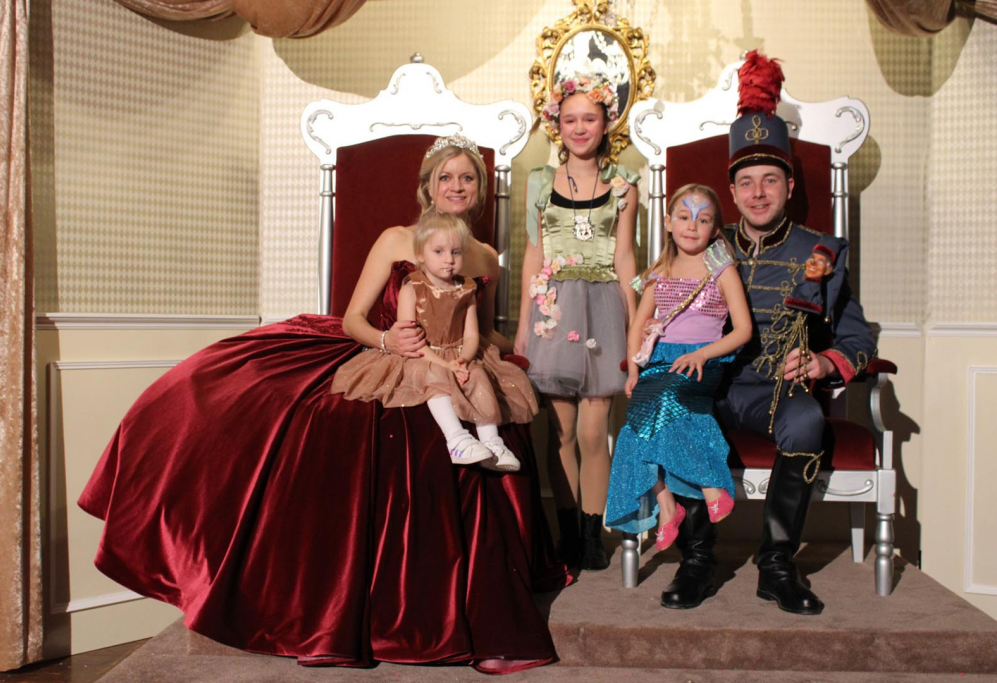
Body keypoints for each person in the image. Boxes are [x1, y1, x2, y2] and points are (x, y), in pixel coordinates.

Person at [78, 134, 568, 673]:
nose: (456, 186)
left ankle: (477, 606)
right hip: (390, 356)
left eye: (467, 177)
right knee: (306, 414)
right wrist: (389, 341)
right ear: (428, 187)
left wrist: (523, 354)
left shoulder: (485, 256)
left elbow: (480, 329)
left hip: (455, 360)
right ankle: (340, 608)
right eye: (445, 177)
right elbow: (355, 318)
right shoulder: (396, 239)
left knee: (489, 416)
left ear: (479, 189)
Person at [658, 52, 876, 616]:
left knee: (807, 421)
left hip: (776, 393)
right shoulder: (704, 246)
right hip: (711, 383)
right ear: (731, 192)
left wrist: (824, 364)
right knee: (676, 409)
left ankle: (776, 566)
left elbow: (858, 340)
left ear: (789, 184)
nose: (758, 193)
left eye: (770, 181)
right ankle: (696, 560)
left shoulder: (821, 252)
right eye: (746, 183)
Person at [515, 72, 639, 571]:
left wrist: (634, 324)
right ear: (557, 125)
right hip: (554, 310)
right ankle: (567, 530)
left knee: (593, 431)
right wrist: (524, 324)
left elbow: (626, 257)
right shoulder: (539, 183)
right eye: (570, 119)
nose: (580, 127)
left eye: (590, 118)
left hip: (604, 309)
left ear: (606, 123)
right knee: (560, 430)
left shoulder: (623, 186)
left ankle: (593, 531)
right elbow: (533, 254)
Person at [606, 184, 752, 551]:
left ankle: (711, 485)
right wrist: (634, 371)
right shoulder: (660, 270)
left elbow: (744, 330)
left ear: (715, 229)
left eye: (702, 220)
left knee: (666, 399)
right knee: (633, 428)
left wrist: (703, 355)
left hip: (703, 361)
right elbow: (638, 325)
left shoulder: (721, 269)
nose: (691, 225)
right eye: (684, 217)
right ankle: (667, 505)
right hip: (659, 362)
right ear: (668, 222)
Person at [332, 211, 536, 471]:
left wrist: (463, 360)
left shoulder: (467, 290)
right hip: (421, 355)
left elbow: (473, 335)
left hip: (458, 353)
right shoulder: (413, 287)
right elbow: (411, 340)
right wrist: (444, 364)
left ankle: (492, 442)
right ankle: (456, 439)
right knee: (433, 376)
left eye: (455, 252)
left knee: (478, 376)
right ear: (420, 254)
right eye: (439, 252)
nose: (449, 260)